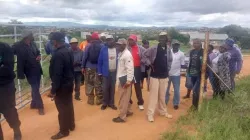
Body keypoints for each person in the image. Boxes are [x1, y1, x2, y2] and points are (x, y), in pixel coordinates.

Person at [49, 32, 75, 139]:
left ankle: (64, 131)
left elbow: (57, 74)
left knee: (62, 109)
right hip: (69, 83)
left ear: (55, 42)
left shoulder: (58, 54)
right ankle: (71, 125)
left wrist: (53, 90)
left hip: (62, 86)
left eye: (52, 41)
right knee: (69, 105)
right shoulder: (68, 51)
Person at [143, 32, 173, 122]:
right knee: (153, 96)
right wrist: (149, 63)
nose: (162, 39)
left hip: (164, 76)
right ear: (158, 39)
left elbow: (170, 60)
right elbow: (144, 56)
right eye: (160, 37)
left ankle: (163, 112)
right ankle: (150, 114)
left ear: (166, 39)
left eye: (164, 37)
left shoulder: (168, 49)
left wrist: (168, 69)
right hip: (154, 76)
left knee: (162, 96)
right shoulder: (153, 48)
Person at [13, 30, 44, 115]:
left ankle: (33, 104)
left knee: (36, 87)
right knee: (35, 88)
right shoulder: (18, 45)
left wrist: (39, 56)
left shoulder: (33, 44)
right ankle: (40, 106)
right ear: (27, 37)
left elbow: (38, 52)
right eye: (31, 35)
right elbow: (9, 51)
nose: (32, 36)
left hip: (37, 68)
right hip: (28, 71)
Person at [0, 42, 22, 140]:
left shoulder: (5, 47)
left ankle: (16, 129)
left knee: (10, 111)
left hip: (5, 86)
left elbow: (7, 69)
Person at [113, 38, 134, 123]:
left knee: (123, 98)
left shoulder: (127, 54)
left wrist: (128, 81)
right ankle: (127, 111)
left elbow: (130, 68)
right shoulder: (121, 53)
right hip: (122, 78)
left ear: (124, 45)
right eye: (117, 44)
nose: (117, 46)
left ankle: (122, 117)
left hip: (124, 80)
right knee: (126, 97)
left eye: (119, 44)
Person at [82, 32, 104, 105]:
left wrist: (83, 67)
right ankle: (99, 100)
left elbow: (84, 57)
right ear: (98, 38)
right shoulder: (102, 46)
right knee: (98, 83)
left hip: (89, 67)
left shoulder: (88, 46)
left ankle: (90, 100)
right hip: (98, 68)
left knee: (89, 83)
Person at [98, 35, 118, 110]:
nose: (109, 41)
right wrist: (99, 72)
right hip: (105, 72)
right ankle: (104, 103)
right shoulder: (103, 49)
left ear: (113, 40)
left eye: (110, 40)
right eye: (107, 40)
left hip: (114, 72)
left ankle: (111, 103)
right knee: (105, 88)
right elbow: (100, 62)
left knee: (112, 88)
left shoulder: (117, 49)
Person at [165, 40, 185, 110]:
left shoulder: (181, 54)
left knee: (176, 90)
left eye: (177, 45)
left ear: (179, 46)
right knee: (166, 89)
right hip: (167, 74)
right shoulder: (168, 52)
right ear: (172, 45)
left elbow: (182, 65)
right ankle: (165, 101)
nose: (175, 46)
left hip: (176, 75)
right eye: (174, 45)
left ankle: (176, 103)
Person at [127, 34, 145, 110]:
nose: (131, 41)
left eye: (132, 40)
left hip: (137, 69)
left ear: (135, 41)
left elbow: (145, 56)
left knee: (137, 87)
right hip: (129, 69)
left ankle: (140, 102)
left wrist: (142, 61)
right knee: (129, 86)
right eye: (130, 40)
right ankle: (129, 101)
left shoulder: (140, 48)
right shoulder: (127, 48)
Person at [187, 39, 204, 110]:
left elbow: (207, 62)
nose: (195, 44)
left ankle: (195, 106)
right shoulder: (192, 52)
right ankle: (195, 104)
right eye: (194, 43)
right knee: (195, 89)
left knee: (195, 90)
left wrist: (205, 74)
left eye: (197, 43)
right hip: (192, 73)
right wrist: (188, 71)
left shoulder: (203, 52)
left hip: (199, 74)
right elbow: (190, 62)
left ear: (200, 44)